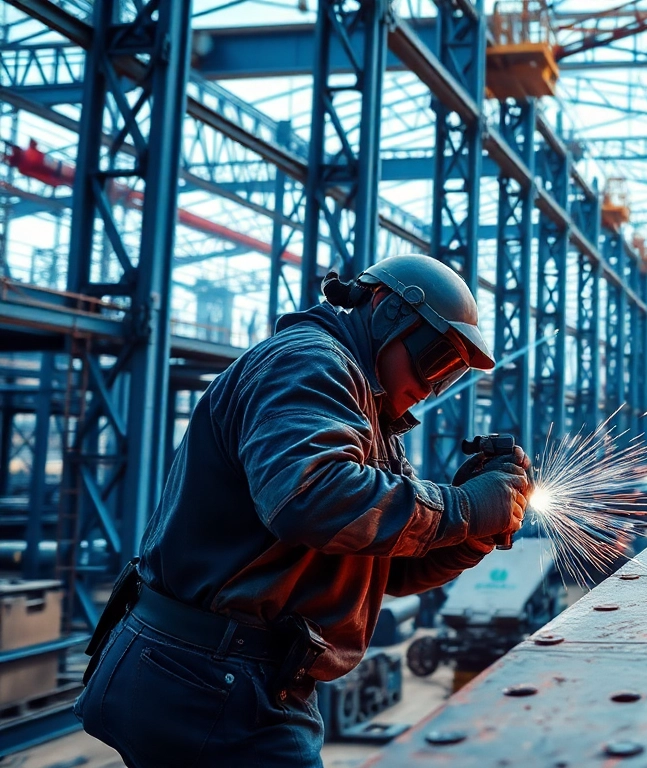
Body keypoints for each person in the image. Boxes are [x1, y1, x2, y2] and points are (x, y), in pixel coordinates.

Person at [75, 255, 531, 767]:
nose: (431, 386)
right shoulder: (309, 362)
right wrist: (463, 507)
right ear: (387, 310)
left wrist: (471, 534)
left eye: (448, 376)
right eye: (434, 359)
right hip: (209, 678)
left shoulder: (368, 411)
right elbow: (310, 499)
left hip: (220, 674)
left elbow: (386, 568)